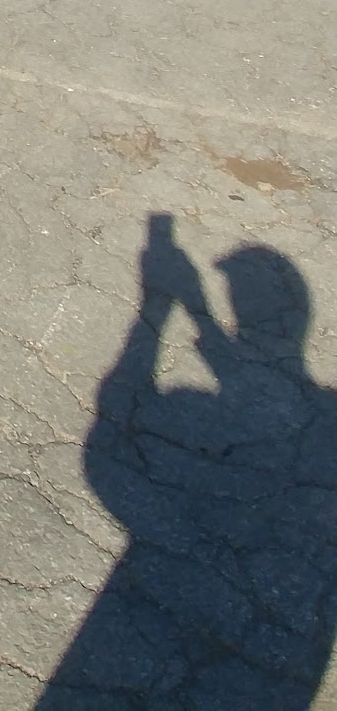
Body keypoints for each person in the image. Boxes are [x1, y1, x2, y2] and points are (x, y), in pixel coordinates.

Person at [38, 215, 337, 708]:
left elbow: (106, 453)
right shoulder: (321, 419)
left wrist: (157, 310)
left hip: (167, 621)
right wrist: (193, 318)